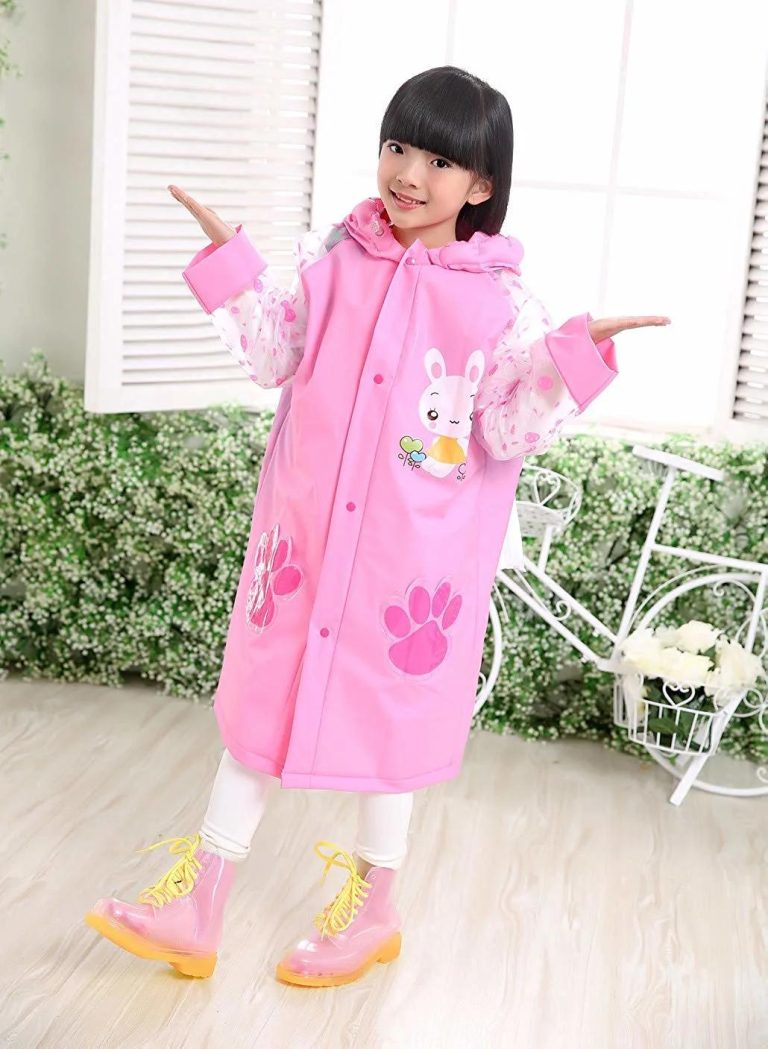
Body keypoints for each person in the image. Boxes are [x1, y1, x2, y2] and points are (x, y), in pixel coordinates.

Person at [84, 65, 670, 987]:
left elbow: (503, 425)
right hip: (309, 542)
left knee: (388, 721)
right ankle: (200, 904)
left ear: (480, 183)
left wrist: (576, 357)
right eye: (398, 147)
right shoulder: (336, 258)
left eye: (438, 160)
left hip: (408, 568)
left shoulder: (500, 302)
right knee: (262, 710)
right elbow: (276, 351)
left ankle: (374, 908)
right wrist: (231, 261)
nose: (408, 173)